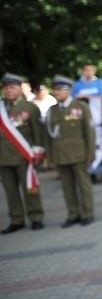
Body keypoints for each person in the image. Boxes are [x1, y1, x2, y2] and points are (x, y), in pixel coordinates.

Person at [46, 75, 96, 227]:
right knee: (67, 188)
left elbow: (90, 132)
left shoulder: (81, 107)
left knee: (83, 186)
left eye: (60, 89)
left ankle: (87, 214)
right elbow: (48, 136)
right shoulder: (52, 110)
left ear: (69, 90)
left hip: (79, 154)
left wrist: (90, 153)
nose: (57, 92)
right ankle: (73, 214)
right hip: (60, 155)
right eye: (55, 89)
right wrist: (50, 157)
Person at [0, 73, 45, 233]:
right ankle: (16, 219)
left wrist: (39, 152)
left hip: (23, 156)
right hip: (3, 158)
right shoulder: (1, 107)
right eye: (6, 88)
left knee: (30, 189)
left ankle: (36, 217)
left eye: (12, 87)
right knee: (10, 192)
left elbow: (38, 132)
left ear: (20, 88)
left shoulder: (30, 108)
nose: (9, 90)